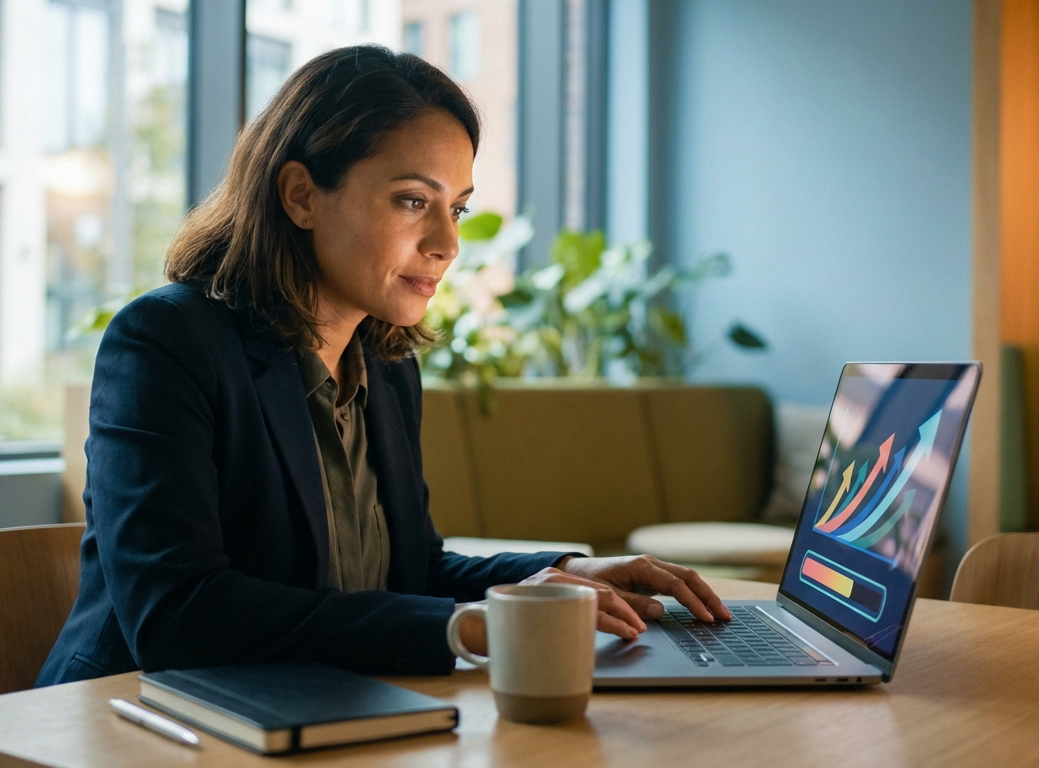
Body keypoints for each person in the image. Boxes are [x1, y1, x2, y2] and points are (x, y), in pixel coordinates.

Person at [37, 44, 729, 685]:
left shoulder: (384, 365)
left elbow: (413, 569)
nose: (448, 242)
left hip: (317, 708)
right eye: (412, 201)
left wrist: (562, 572)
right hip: (137, 717)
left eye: (456, 208)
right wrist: (463, 627)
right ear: (301, 195)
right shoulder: (167, 342)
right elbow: (177, 614)